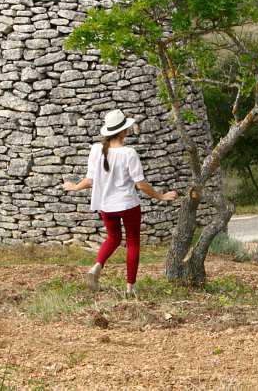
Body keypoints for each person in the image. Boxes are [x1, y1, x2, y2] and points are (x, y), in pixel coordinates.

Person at [63, 108, 177, 297]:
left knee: (113, 238)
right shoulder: (128, 153)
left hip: (107, 206)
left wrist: (74, 187)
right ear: (124, 131)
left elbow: (90, 180)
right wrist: (161, 196)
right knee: (133, 243)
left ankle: (97, 265)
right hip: (128, 205)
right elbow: (140, 185)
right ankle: (130, 288)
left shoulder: (96, 150)